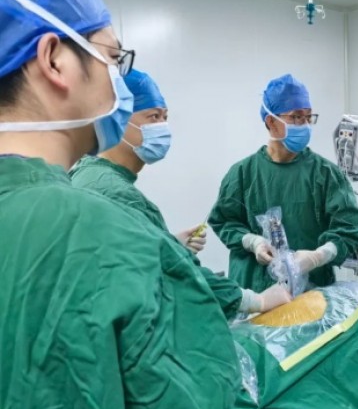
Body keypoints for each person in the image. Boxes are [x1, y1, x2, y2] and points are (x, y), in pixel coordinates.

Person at [0, 0, 238, 409]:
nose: (119, 80)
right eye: (113, 58)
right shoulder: (98, 231)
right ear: (54, 59)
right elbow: (199, 401)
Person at [70, 69, 291, 316]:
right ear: (116, 119)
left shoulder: (92, 176)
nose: (163, 127)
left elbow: (129, 258)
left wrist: (170, 243)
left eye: (165, 117)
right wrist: (254, 300)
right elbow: (178, 273)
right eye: (153, 116)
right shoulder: (114, 193)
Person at [210, 74, 358, 292]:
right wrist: (253, 242)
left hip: (312, 291)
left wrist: (318, 256)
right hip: (255, 291)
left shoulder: (326, 174)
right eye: (296, 117)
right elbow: (224, 222)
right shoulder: (242, 174)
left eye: (309, 117)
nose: (305, 124)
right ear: (271, 121)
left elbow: (348, 229)